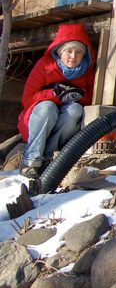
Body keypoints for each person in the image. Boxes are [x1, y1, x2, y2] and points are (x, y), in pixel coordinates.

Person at [17, 24, 96, 178]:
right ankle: (31, 161)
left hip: (65, 120)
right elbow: (27, 99)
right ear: (60, 52)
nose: (73, 56)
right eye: (69, 51)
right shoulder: (45, 65)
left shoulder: (88, 71)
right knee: (48, 107)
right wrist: (54, 93)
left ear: (84, 54)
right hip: (38, 119)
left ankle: (48, 157)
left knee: (76, 110)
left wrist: (79, 95)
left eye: (78, 52)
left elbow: (92, 99)